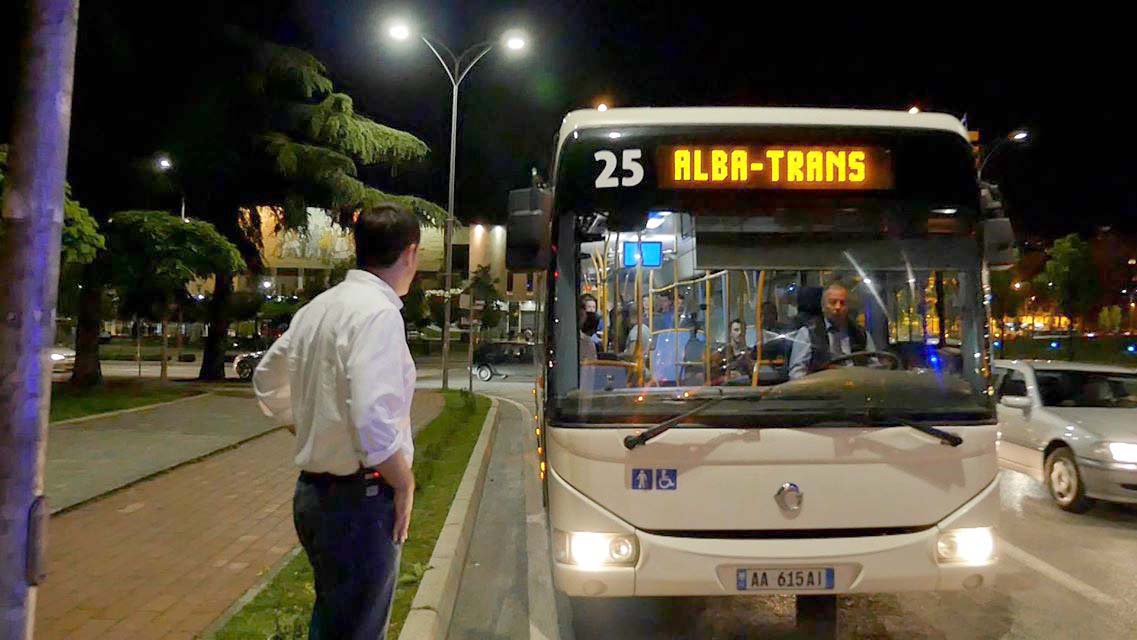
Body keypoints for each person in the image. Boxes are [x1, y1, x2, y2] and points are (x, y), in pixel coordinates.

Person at [253, 204, 420, 639]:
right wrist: (403, 483)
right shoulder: (378, 314)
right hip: (360, 502)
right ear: (410, 254)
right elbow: (372, 419)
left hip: (314, 498)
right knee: (357, 629)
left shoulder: (319, 308)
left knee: (333, 622)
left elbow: (267, 379)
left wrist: (311, 423)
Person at [788, 282, 876, 380]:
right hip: (823, 390)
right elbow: (797, 373)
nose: (838, 307)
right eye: (833, 302)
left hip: (856, 389)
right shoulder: (808, 333)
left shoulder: (861, 334)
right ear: (823, 307)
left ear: (847, 308)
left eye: (842, 303)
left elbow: (874, 368)